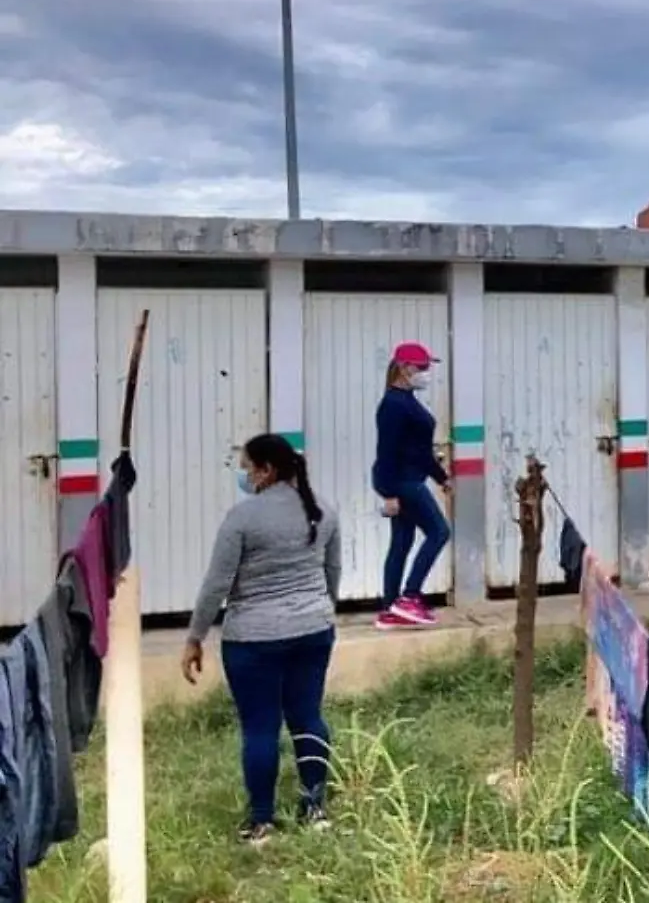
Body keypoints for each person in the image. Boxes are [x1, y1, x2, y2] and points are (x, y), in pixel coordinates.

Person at [182, 433, 342, 844]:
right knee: (308, 717)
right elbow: (332, 572)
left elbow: (217, 584)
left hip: (253, 639)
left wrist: (195, 636)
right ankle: (315, 807)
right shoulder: (324, 509)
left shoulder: (243, 517)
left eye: (247, 466)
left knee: (260, 728)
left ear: (267, 470)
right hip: (313, 631)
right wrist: (319, 613)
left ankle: (261, 822)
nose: (245, 474)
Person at [373, 341, 452, 629]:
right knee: (440, 532)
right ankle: (410, 596)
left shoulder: (406, 401)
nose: (426, 373)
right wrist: (388, 492)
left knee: (402, 543)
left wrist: (442, 479)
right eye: (422, 368)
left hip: (411, 478)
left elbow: (421, 451)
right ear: (404, 369)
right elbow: (386, 452)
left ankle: (390, 608)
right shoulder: (393, 404)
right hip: (403, 483)